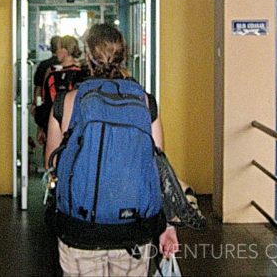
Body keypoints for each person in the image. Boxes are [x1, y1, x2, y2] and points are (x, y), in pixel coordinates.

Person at [45, 24, 179, 277]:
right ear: (123, 55)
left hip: (80, 228)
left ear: (87, 55)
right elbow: (158, 166)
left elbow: (52, 162)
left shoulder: (67, 101)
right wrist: (166, 224)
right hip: (133, 228)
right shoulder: (144, 101)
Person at [36, 35, 87, 145]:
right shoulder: (84, 73)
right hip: (77, 128)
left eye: (58, 49)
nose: (56, 52)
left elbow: (46, 101)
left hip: (53, 126)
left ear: (64, 51)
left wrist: (41, 127)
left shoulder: (51, 74)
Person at [31, 35, 61, 135]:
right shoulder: (67, 66)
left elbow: (38, 89)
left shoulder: (44, 65)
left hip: (47, 107)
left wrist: (36, 105)